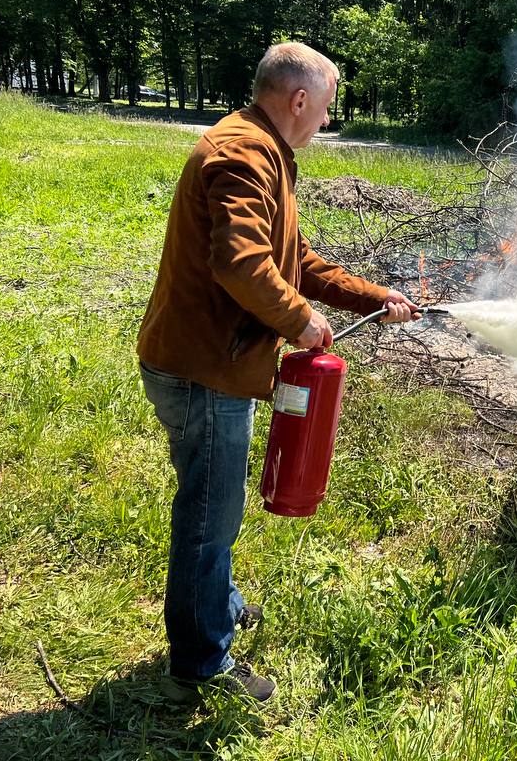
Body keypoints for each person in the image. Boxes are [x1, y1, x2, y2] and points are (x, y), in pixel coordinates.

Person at [136, 42, 419, 703]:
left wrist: (373, 298)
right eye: (324, 110)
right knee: (210, 515)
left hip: (203, 362)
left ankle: (219, 602)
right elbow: (240, 264)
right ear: (298, 100)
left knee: (213, 504)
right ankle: (202, 665)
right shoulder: (245, 156)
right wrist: (299, 321)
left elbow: (298, 261)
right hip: (204, 371)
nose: (325, 122)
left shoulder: (264, 152)